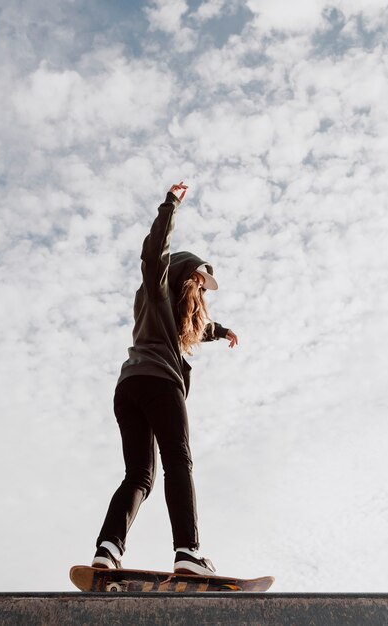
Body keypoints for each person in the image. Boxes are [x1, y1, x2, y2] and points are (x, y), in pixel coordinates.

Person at [92, 181, 239, 575]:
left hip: (128, 388)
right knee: (178, 460)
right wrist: (170, 205)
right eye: (195, 282)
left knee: (139, 474)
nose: (199, 292)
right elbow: (154, 254)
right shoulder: (156, 289)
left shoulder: (162, 311)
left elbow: (195, 327)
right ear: (181, 276)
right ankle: (188, 551)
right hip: (159, 384)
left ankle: (107, 548)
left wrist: (221, 332)